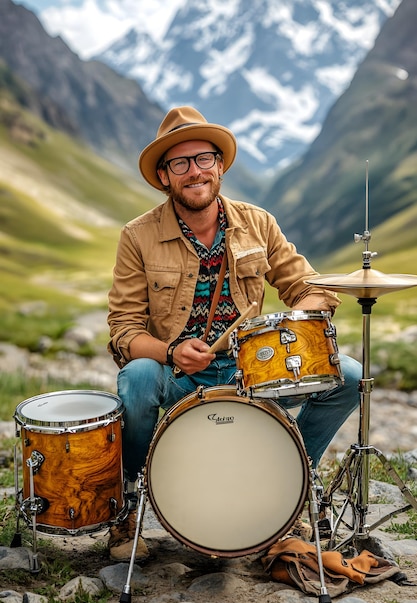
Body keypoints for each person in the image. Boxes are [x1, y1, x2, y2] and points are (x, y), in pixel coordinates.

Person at [107, 106, 362, 561]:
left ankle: (289, 489)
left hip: (253, 370)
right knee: (137, 378)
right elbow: (124, 331)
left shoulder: (258, 223)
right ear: (164, 176)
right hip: (179, 375)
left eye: (203, 158)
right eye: (179, 164)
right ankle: (128, 506)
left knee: (350, 375)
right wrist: (170, 352)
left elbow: (310, 289)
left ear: (219, 165)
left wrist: (283, 327)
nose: (194, 171)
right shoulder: (137, 236)